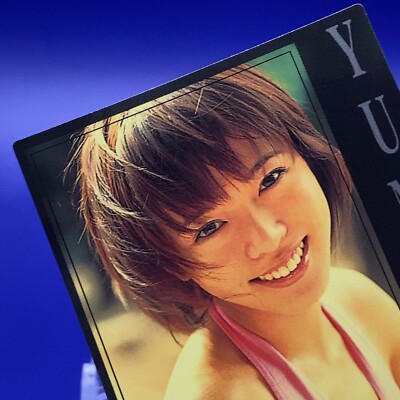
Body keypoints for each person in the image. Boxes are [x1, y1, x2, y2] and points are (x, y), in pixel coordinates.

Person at [76, 65, 400, 399]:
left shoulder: (359, 301)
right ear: (172, 263)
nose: (268, 237)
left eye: (270, 179)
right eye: (210, 228)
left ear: (307, 155)